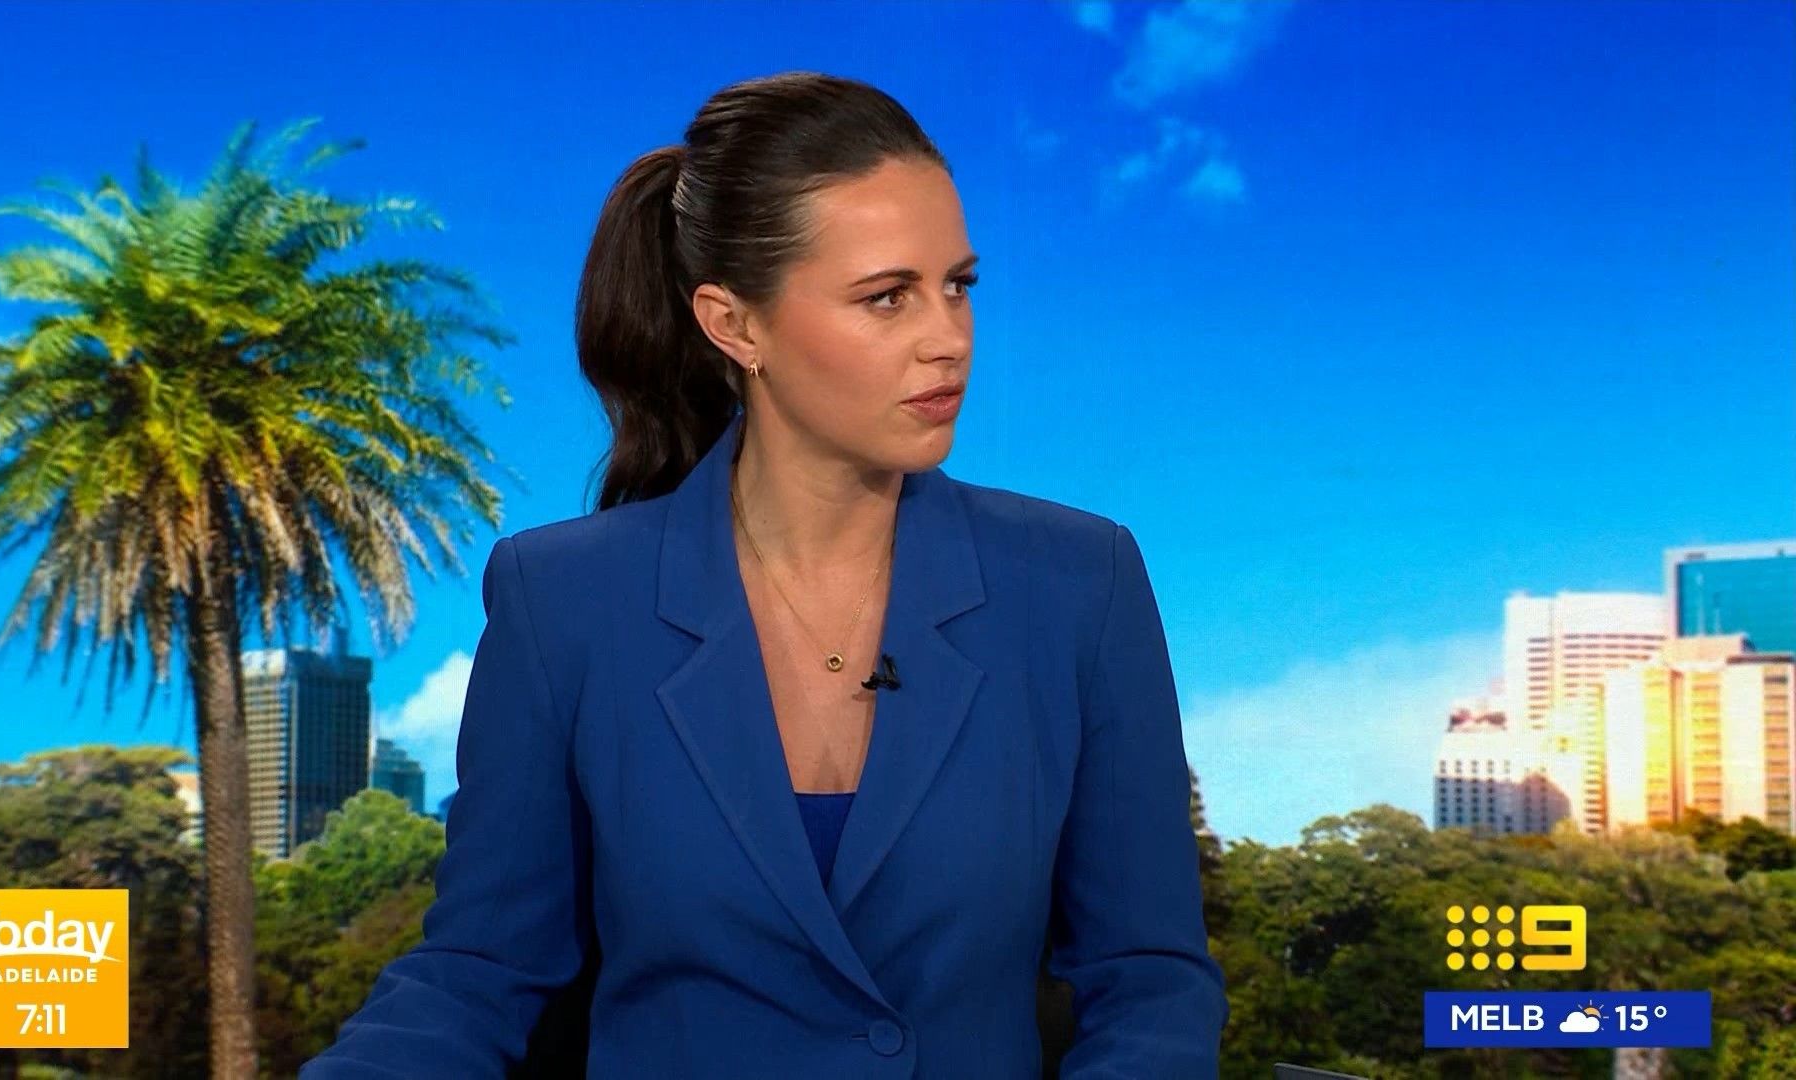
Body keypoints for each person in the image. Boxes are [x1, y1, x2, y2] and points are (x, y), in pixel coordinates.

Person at [302, 70, 1227, 1079]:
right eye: (887, 297)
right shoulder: (561, 602)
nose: (948, 339)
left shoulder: (1079, 584)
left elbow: (1150, 983)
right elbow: (476, 975)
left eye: (958, 286)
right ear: (734, 325)